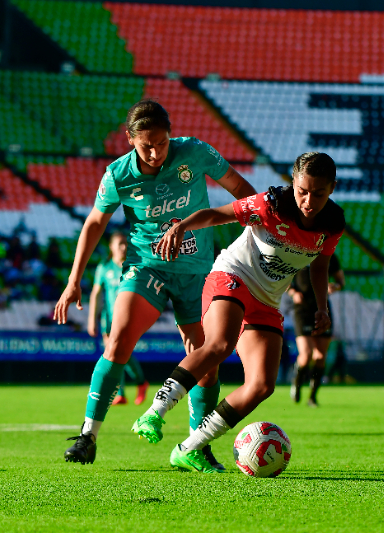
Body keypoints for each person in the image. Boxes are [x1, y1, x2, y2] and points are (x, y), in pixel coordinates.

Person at [53, 99, 257, 466]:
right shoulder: (118, 175)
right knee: (118, 339)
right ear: (129, 139)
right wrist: (74, 279)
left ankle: (196, 448)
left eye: (161, 143)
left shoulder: (194, 152)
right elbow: (95, 222)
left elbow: (241, 188)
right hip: (147, 268)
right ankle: (87, 436)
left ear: (170, 135)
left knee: (206, 360)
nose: (155, 152)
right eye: (146, 145)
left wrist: (263, 229)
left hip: (198, 272)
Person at [132, 152, 344, 473]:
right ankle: (154, 412)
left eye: (319, 193)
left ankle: (189, 448)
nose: (308, 200)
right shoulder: (270, 204)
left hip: (267, 301)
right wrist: (181, 227)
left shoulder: (333, 223)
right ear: (293, 183)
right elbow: (216, 215)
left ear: (332, 188)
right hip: (232, 276)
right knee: (220, 344)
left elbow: (320, 265)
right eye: (302, 191)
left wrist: (322, 306)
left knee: (262, 385)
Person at [88, 231, 150, 406]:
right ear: (111, 247)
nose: (123, 247)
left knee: (121, 353)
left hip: (128, 318)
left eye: (125, 243)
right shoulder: (104, 267)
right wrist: (92, 319)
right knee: (113, 354)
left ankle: (138, 383)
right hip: (108, 318)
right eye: (120, 244)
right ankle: (121, 392)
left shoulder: (134, 266)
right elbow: (96, 293)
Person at [288, 253, 345, 407]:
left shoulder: (329, 255)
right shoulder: (298, 252)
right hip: (302, 309)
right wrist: (293, 292)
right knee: (306, 354)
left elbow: (341, 281)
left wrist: (335, 286)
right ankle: (297, 384)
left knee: (320, 356)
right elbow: (283, 278)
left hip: (322, 308)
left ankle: (312, 396)